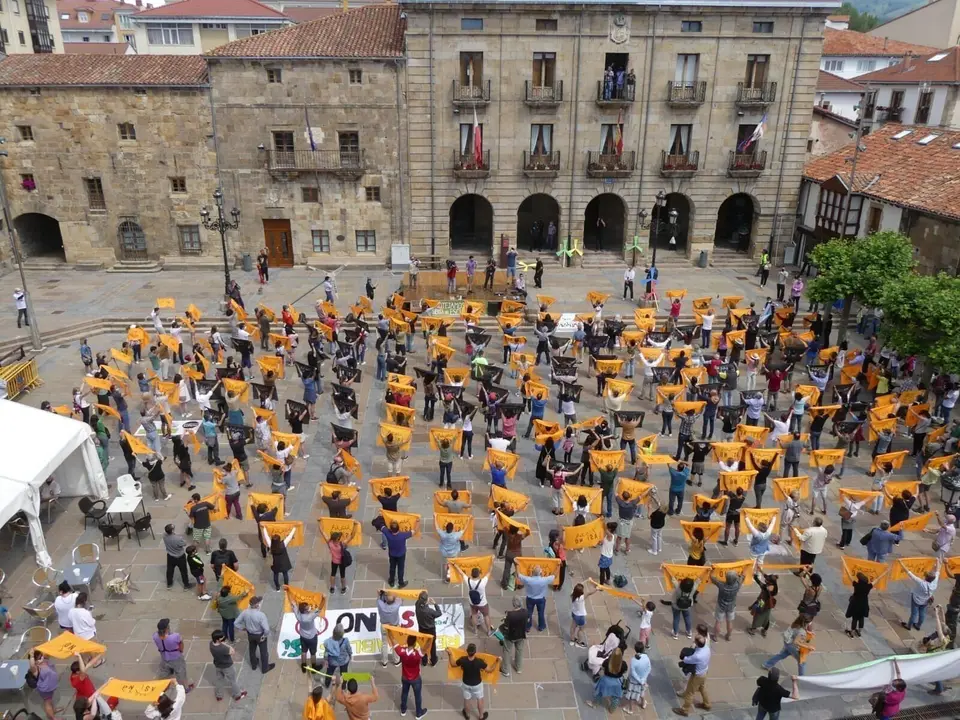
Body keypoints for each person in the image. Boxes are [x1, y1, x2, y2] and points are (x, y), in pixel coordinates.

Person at [673, 635, 711, 716]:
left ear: (697, 643)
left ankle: (684, 710)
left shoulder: (697, 656)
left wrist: (687, 652)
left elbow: (686, 660)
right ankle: (707, 704)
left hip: (697, 675)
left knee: (690, 693)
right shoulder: (707, 648)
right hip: (704, 672)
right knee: (702, 688)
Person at [235, 595, 274, 674]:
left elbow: (236, 623)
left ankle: (254, 665)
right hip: (260, 635)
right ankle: (265, 668)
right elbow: (266, 629)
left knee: (252, 650)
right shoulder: (261, 615)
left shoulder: (245, 612)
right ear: (256, 605)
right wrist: (264, 636)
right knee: (264, 652)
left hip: (250, 634)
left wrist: (243, 628)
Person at [449, 644, 488, 720]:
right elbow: (490, 669)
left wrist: (450, 654)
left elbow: (453, 664)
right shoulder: (479, 661)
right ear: (475, 652)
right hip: (477, 684)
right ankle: (481, 716)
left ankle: (467, 715)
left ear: (467, 651)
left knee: (467, 699)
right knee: (480, 699)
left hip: (466, 683)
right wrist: (497, 661)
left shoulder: (463, 660)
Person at [209, 630, 248, 703]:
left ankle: (219, 695)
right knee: (233, 681)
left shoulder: (211, 644)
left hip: (218, 665)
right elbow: (232, 651)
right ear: (218, 639)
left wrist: (222, 643)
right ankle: (238, 695)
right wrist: (226, 644)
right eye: (222, 638)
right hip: (227, 666)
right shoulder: (223, 648)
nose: (224, 639)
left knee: (219, 680)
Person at [903, 559, 941, 630]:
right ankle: (918, 625)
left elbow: (909, 573)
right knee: (922, 613)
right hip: (926, 601)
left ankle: (909, 626)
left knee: (914, 613)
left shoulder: (921, 583)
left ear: (926, 577)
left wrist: (901, 563)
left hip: (916, 599)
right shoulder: (934, 583)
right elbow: (938, 571)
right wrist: (937, 561)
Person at [396, 635, 428, 718]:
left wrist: (389, 632)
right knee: (417, 696)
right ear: (414, 644)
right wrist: (429, 640)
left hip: (405, 677)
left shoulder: (401, 652)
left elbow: (394, 642)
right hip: (416, 679)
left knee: (404, 693)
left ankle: (403, 710)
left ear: (407, 642)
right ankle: (418, 713)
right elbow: (425, 649)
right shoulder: (417, 654)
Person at [518, 565, 555, 632]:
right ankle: (541, 626)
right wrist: (558, 565)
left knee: (529, 613)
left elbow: (518, 575)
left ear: (532, 572)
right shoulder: (544, 580)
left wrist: (517, 565)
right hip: (540, 599)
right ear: (540, 573)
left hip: (530, 599)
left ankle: (528, 627)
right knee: (541, 613)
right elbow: (554, 575)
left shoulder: (528, 580)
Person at [711, 570, 744, 642]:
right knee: (729, 622)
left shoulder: (722, 585)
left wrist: (712, 570)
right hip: (731, 606)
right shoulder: (737, 585)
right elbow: (743, 577)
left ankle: (715, 637)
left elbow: (712, 578)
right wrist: (742, 572)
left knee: (718, 622)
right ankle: (728, 636)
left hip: (721, 606)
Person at [262, 526, 297, 590]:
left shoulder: (271, 545)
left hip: (275, 563)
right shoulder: (283, 544)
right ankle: (286, 586)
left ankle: (277, 587)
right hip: (284, 562)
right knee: (285, 574)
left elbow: (266, 536)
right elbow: (289, 536)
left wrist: (264, 528)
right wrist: (294, 528)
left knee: (275, 574)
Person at [500, 597, 527, 677]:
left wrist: (505, 619)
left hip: (510, 636)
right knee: (519, 650)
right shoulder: (525, 612)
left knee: (507, 651)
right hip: (521, 634)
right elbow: (527, 620)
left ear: (513, 604)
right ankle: (519, 668)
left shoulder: (510, 615)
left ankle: (505, 670)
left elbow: (506, 626)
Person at [28, 651, 59, 720]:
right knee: (47, 702)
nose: (42, 657)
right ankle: (53, 718)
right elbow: (32, 665)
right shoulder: (35, 669)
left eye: (42, 656)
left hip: (51, 686)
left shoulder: (44, 661)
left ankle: (53, 710)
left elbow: (47, 654)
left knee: (50, 700)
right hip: (45, 689)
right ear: (35, 661)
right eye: (39, 658)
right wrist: (32, 656)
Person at [747, 571, 779, 637]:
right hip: (768, 605)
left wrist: (755, 577)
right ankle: (764, 631)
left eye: (767, 580)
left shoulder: (767, 588)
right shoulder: (774, 586)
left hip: (763, 603)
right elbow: (766, 576)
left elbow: (760, 583)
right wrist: (760, 570)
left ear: (770, 582)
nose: (765, 580)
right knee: (766, 618)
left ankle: (753, 630)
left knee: (757, 616)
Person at [382, 521, 413, 588]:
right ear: (398, 528)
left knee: (392, 568)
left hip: (392, 554)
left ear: (390, 529)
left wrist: (381, 515)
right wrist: (418, 521)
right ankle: (401, 582)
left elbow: (381, 525)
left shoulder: (387, 533)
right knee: (400, 569)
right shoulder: (403, 535)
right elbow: (414, 531)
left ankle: (391, 581)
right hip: (401, 555)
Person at [416, 592, 443, 666]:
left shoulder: (417, 605)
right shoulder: (430, 611)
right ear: (426, 601)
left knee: (423, 645)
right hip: (430, 630)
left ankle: (424, 661)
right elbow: (439, 613)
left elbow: (419, 601)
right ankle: (433, 660)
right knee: (432, 645)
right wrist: (435, 604)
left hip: (422, 629)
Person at [623, 641, 651, 713]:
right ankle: (643, 703)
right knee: (642, 691)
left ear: (635, 649)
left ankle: (630, 710)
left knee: (632, 696)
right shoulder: (646, 657)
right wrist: (643, 679)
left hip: (634, 681)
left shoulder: (634, 660)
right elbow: (649, 668)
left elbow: (633, 673)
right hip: (643, 679)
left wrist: (639, 680)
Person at [322, 623, 353, 687]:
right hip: (344, 661)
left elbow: (326, 652)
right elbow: (349, 649)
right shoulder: (345, 641)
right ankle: (344, 685)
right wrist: (350, 655)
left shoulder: (328, 641)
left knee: (329, 673)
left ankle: (327, 684)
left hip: (332, 661)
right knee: (344, 673)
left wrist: (325, 659)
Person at [466, 567, 493, 635]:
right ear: (479, 574)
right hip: (483, 603)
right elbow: (489, 571)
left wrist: (455, 565)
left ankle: (475, 630)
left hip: (472, 603)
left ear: (471, 574)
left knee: (474, 615)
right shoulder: (483, 582)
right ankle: (489, 631)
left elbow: (461, 572)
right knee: (486, 616)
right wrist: (492, 561)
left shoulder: (468, 581)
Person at [845, 572, 873, 638]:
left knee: (854, 618)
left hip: (856, 604)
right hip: (864, 604)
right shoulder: (868, 586)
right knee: (861, 618)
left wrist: (846, 569)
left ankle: (852, 632)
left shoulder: (857, 585)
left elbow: (850, 577)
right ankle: (859, 631)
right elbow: (876, 581)